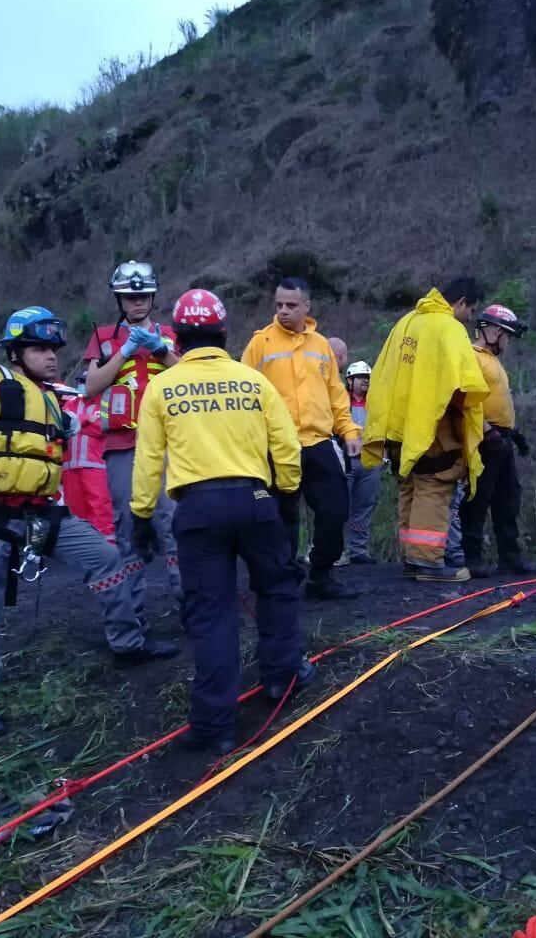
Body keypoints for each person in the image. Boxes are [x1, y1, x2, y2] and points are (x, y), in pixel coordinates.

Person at [0, 306, 177, 740]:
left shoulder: (50, 396)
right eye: (39, 348)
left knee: (107, 557)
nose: (50, 356)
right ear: (15, 352)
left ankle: (128, 642)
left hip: (41, 513)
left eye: (53, 349)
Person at [130, 289, 311, 755]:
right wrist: (286, 494)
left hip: (197, 510)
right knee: (276, 587)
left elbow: (148, 460)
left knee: (212, 614)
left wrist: (141, 516)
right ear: (223, 334)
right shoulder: (252, 380)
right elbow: (286, 447)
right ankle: (282, 679)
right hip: (255, 500)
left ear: (177, 336)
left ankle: (215, 725)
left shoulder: (162, 388)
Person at [361, 277, 489, 582]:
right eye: (471, 310)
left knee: (412, 487)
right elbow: (463, 384)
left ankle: (412, 558)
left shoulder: (407, 322)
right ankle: (429, 563)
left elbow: (384, 372)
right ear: (460, 303)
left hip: (400, 426)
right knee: (435, 487)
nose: (470, 318)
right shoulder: (449, 329)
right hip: (433, 427)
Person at [241, 277, 361, 600]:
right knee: (280, 517)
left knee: (335, 510)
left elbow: (336, 395)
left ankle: (321, 575)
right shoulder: (260, 344)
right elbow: (244, 397)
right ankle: (281, 580)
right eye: (278, 304)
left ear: (306, 307)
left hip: (319, 443)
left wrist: (349, 431)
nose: (283, 311)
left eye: (291, 305)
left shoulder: (321, 345)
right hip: (277, 446)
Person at [81, 260, 183, 617]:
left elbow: (189, 375)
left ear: (153, 297)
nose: (137, 302)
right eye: (129, 296)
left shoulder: (169, 334)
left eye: (143, 296)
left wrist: (160, 349)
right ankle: (134, 614)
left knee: (173, 525)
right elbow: (91, 387)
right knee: (127, 528)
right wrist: (123, 351)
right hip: (122, 446)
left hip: (168, 444)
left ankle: (189, 610)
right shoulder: (103, 338)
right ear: (119, 299)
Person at [458, 304, 534, 577]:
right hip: (483, 438)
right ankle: (472, 557)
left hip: (502, 438)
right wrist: (487, 429)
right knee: (478, 499)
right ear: (491, 330)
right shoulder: (471, 356)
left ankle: (510, 556)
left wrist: (514, 434)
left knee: (508, 498)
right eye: (506, 335)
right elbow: (465, 399)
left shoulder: (493, 359)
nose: (508, 341)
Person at [61, 370, 114, 539]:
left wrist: (78, 422)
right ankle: (84, 550)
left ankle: (108, 549)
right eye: (82, 381)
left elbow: (101, 428)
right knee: (75, 512)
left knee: (100, 510)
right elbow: (64, 425)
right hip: (70, 467)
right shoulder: (71, 403)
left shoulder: (104, 403)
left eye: (86, 381)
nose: (84, 385)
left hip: (95, 467)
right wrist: (86, 419)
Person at [342, 361, 381, 565]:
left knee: (364, 506)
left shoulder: (375, 403)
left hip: (371, 460)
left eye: (368, 378)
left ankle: (358, 549)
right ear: (350, 380)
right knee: (340, 506)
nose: (366, 381)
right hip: (346, 460)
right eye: (362, 378)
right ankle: (338, 550)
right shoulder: (341, 403)